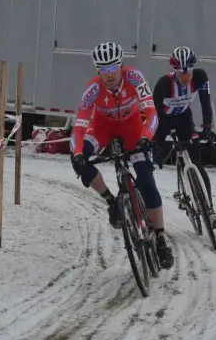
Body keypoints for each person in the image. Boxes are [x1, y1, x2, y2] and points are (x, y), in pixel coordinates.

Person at [70, 42, 174, 269]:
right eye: (103, 70)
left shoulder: (134, 78)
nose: (109, 75)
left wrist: (147, 136)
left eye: (112, 69)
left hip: (132, 129)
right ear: (98, 71)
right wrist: (78, 153)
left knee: (146, 181)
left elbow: (151, 112)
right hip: (102, 129)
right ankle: (110, 201)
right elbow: (79, 127)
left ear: (120, 66)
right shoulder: (93, 89)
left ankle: (160, 238)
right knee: (77, 159)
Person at [152, 46, 216, 229]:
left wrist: (207, 126)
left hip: (184, 117)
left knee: (197, 162)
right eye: (182, 73)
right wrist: (155, 142)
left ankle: (210, 210)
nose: (186, 77)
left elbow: (205, 103)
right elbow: (153, 114)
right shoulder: (164, 84)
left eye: (188, 72)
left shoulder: (199, 77)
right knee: (152, 159)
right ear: (174, 71)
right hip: (163, 120)